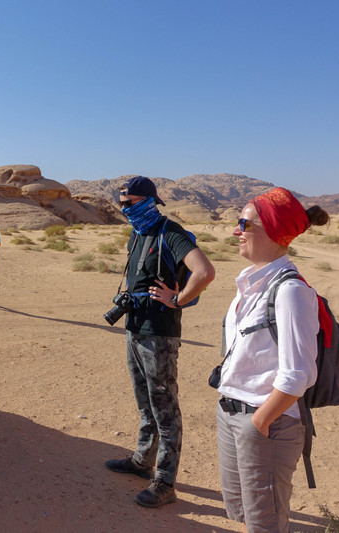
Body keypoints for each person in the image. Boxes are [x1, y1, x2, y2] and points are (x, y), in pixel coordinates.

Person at [215, 187, 329, 532]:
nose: (236, 231)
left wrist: (259, 423)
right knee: (243, 514)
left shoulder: (291, 291)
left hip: (267, 424)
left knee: (266, 524)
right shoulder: (253, 283)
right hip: (232, 413)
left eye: (243, 224)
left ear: (273, 231)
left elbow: (298, 374)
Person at [104, 176, 215, 508]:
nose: (125, 209)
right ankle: (142, 461)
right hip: (135, 327)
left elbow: (204, 272)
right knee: (144, 401)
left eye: (130, 203)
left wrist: (177, 299)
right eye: (122, 203)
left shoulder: (171, 232)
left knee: (165, 408)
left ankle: (165, 483)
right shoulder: (138, 233)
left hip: (160, 334)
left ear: (149, 202)